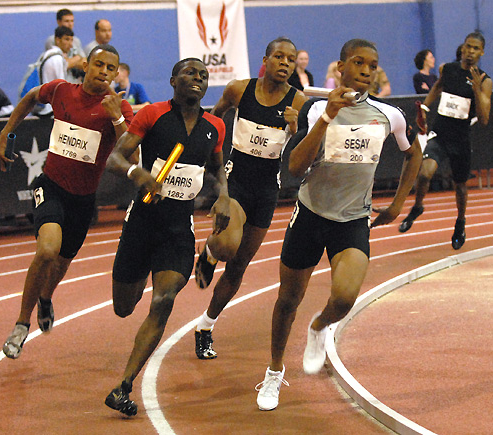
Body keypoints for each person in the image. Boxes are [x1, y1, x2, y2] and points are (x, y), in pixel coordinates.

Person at [255, 38, 423, 411]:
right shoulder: (317, 110)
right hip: (311, 215)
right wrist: (329, 116)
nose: (366, 70)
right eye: (358, 63)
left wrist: (397, 204)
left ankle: (319, 327)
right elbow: (295, 169)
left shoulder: (388, 115)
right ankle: (274, 371)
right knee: (287, 300)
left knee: (345, 298)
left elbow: (414, 155)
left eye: (373, 64)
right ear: (341, 67)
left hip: (352, 220)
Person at [103, 58, 232, 417]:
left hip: (178, 228)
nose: (198, 79)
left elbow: (218, 170)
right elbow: (115, 158)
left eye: (203, 76)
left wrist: (223, 195)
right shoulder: (153, 115)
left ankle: (124, 386)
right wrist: (138, 173)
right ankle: (139, 274)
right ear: (173, 80)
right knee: (123, 307)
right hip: (141, 222)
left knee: (163, 299)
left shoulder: (215, 126)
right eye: (190, 73)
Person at [0, 44, 134, 360]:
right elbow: (32, 98)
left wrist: (116, 120)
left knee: (61, 262)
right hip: (51, 186)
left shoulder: (119, 108)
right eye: (98, 64)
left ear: (116, 73)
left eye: (109, 68)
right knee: (47, 250)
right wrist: (6, 131)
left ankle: (46, 298)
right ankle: (21, 324)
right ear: (86, 66)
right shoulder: (60, 90)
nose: (103, 72)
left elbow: (133, 154)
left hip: (84, 200)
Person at [193, 37, 308, 360]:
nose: (285, 63)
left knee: (240, 264)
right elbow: (213, 123)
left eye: (291, 59)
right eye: (279, 57)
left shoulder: (298, 101)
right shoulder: (238, 89)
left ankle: (205, 326)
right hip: (236, 182)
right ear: (266, 59)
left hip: (267, 190)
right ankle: (211, 250)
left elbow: (299, 150)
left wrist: (295, 127)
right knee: (228, 246)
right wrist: (208, 168)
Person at [398, 32, 491, 250]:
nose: (470, 51)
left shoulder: (485, 81)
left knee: (460, 186)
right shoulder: (448, 69)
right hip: (440, 133)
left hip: (461, 139)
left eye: (475, 48)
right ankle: (418, 206)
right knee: (424, 173)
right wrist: (424, 109)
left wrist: (477, 89)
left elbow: (484, 119)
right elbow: (437, 87)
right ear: (463, 47)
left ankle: (460, 223)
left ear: (481, 52)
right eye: (468, 46)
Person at [37, 26, 74, 116]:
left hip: (45, 105)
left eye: (71, 40)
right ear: (57, 40)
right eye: (67, 39)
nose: (70, 44)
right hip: (51, 110)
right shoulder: (57, 58)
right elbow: (62, 88)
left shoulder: (46, 55)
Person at [45, 8, 86, 83]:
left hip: (75, 82)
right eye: (67, 21)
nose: (70, 24)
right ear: (58, 22)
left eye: (72, 21)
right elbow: (62, 64)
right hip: (59, 82)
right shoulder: (52, 40)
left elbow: (84, 63)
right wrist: (77, 58)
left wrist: (71, 62)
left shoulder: (76, 41)